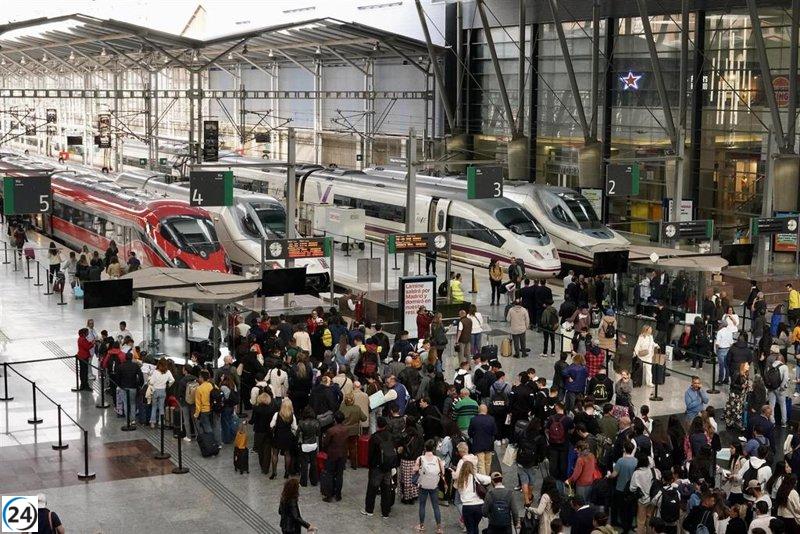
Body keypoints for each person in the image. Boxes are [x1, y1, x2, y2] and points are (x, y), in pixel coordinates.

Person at [362, 416, 396, 518]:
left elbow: (370, 453)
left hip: (376, 467)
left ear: (377, 425)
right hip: (388, 466)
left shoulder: (374, 437)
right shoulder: (390, 436)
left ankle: (369, 510)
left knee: (372, 489)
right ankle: (385, 512)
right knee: (386, 490)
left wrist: (370, 465)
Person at [415, 439, 445, 533]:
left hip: (423, 485)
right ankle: (439, 527)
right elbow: (442, 472)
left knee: (422, 505)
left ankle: (422, 525)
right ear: (433, 448)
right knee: (436, 506)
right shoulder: (438, 459)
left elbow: (415, 470)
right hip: (434, 486)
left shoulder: (420, 458)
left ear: (425, 448)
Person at [455, 460, 492, 534]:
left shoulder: (460, 480)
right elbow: (489, 479)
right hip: (479, 505)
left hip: (467, 506)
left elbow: (459, 491)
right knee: (475, 526)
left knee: (470, 529)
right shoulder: (476, 476)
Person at [609, 440, 637, 532]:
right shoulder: (636, 461)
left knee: (622, 510)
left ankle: (624, 528)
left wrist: (608, 475)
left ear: (624, 449)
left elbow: (614, 474)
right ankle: (629, 525)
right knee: (630, 510)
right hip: (632, 490)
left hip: (620, 489)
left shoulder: (620, 461)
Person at [321, 411, 349, 502]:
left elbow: (325, 443)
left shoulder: (331, 430)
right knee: (339, 474)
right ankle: (338, 494)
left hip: (332, 454)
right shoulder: (346, 429)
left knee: (329, 474)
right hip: (343, 454)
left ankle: (329, 495)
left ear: (334, 420)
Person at [270, 398, 298, 480]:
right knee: (287, 454)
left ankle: (274, 472)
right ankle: (286, 472)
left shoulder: (277, 414)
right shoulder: (292, 415)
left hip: (278, 436)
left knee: (275, 454)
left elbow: (271, 425)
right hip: (288, 437)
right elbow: (295, 428)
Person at [250, 392, 277, 476]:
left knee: (260, 450)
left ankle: (262, 466)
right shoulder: (272, 409)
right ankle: (266, 468)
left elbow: (253, 420)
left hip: (259, 431)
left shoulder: (256, 408)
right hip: (268, 431)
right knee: (267, 450)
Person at [468, 404, 497, 475]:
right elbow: (495, 432)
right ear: (486, 410)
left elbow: (470, 433)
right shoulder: (491, 419)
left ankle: (484, 481)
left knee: (481, 464)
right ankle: (487, 477)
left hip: (478, 444)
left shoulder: (473, 419)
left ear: (478, 410)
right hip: (489, 444)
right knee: (488, 463)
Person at [148, 357, 174, 428]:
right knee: (161, 407)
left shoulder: (155, 372)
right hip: (163, 390)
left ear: (159, 364)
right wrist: (168, 385)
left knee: (154, 407)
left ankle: (153, 423)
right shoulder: (168, 372)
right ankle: (161, 422)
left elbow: (151, 382)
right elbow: (172, 380)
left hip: (155, 390)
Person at [725, 362, 751, 432]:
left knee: (739, 410)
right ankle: (730, 423)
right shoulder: (737, 374)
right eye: (747, 365)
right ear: (743, 366)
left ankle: (735, 422)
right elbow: (732, 384)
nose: (748, 366)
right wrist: (741, 386)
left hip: (741, 396)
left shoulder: (746, 374)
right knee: (734, 409)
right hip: (735, 395)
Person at [766, 353, 790, 426]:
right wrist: (782, 387)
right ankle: (783, 422)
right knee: (783, 405)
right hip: (779, 389)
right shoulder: (784, 367)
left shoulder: (770, 366)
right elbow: (785, 378)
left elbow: (766, 376)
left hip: (771, 388)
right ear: (782, 359)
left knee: (771, 405)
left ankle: (772, 422)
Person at [715, 317, 736, 385]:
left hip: (721, 350)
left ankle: (720, 380)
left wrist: (716, 350)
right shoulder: (729, 332)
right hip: (728, 349)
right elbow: (731, 343)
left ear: (722, 325)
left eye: (720, 324)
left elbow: (717, 343)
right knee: (727, 365)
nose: (719, 325)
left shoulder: (719, 332)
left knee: (721, 366)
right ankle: (726, 379)